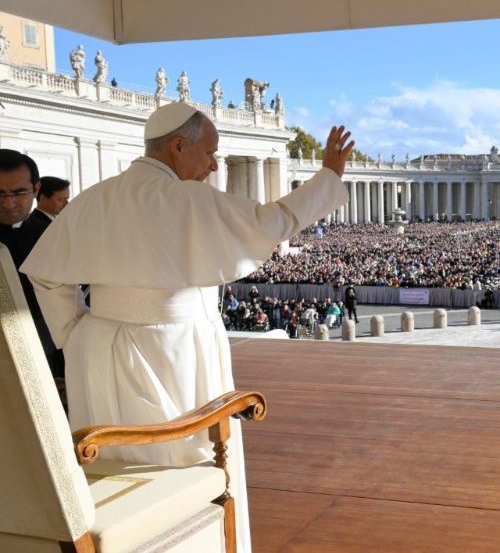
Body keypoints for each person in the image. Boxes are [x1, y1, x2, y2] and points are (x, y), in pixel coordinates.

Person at [21, 102, 353, 553]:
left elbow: (45, 274)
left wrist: (74, 333)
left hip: (96, 351)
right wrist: (327, 179)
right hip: (178, 349)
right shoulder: (186, 199)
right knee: (185, 460)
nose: (215, 166)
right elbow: (270, 223)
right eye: (210, 153)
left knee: (115, 463)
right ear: (178, 146)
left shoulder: (94, 198)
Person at [0, 150, 64, 396]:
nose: (8, 203)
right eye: (0, 194)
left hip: (47, 342)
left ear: (36, 189)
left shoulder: (51, 233)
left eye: (18, 193)